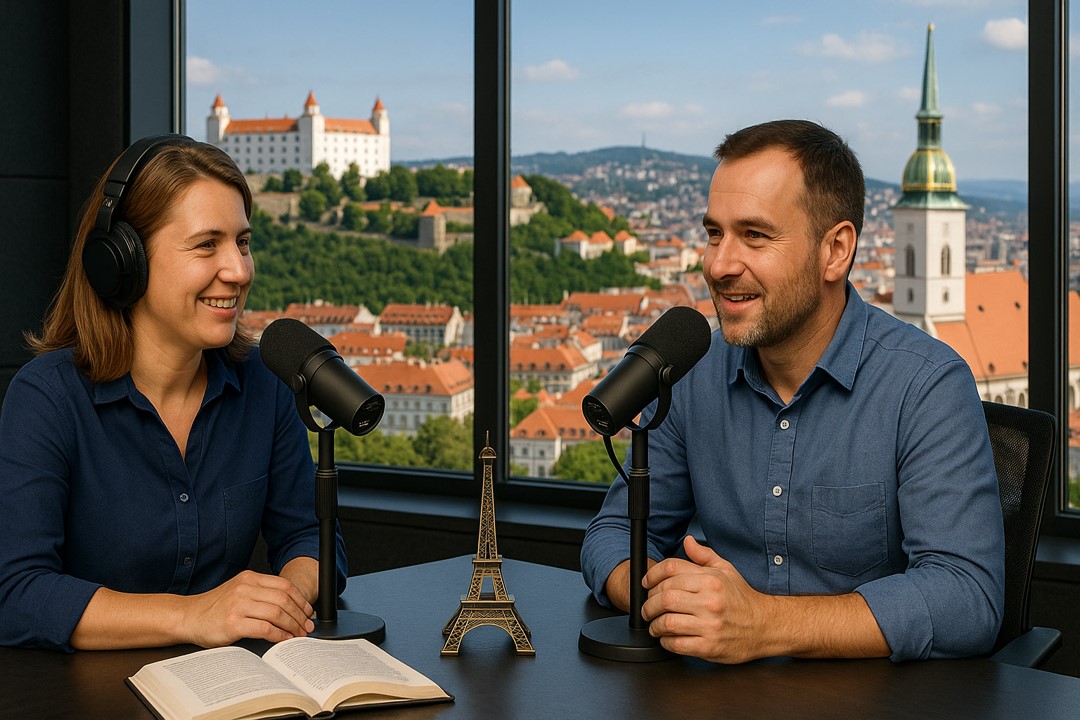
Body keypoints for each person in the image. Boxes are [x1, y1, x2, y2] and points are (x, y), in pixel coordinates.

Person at [580, 119, 1004, 664]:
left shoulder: (925, 385)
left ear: (836, 251)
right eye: (715, 234)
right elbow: (612, 536)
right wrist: (675, 602)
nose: (719, 264)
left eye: (754, 236)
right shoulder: (693, 374)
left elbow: (966, 597)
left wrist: (763, 625)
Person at [0, 135, 346, 651]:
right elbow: (18, 594)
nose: (238, 270)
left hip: (226, 687)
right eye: (207, 244)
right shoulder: (47, 399)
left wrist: (286, 602)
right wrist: (192, 616)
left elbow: (309, 538)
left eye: (243, 242)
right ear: (123, 261)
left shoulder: (264, 382)